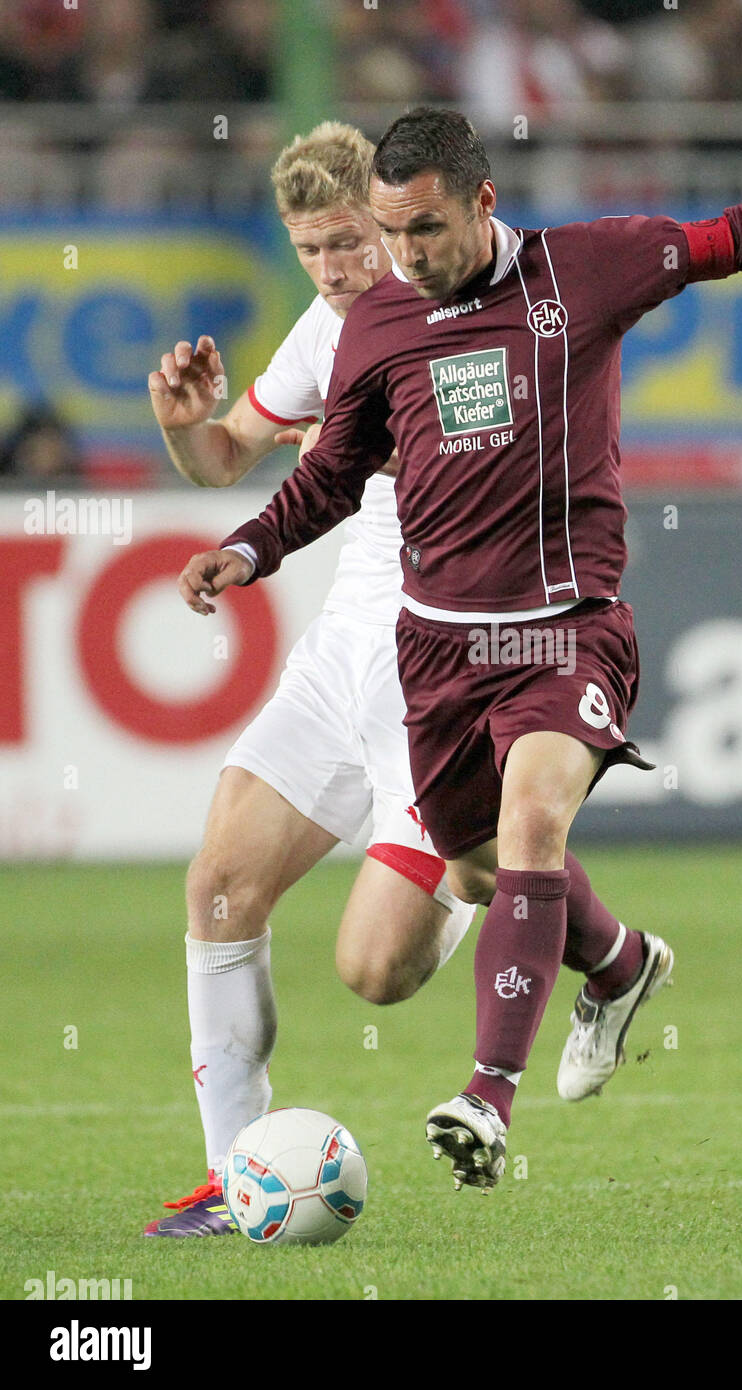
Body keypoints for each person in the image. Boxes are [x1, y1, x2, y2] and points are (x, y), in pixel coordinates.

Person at [180, 107, 742, 1192]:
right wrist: (248, 548)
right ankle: (619, 965)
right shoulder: (381, 321)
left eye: (424, 230)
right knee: (453, 894)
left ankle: (487, 1095)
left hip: (567, 635)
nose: (407, 257)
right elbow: (331, 474)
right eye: (391, 234)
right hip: (435, 652)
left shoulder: (585, 271)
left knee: (532, 824)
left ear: (483, 202)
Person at [142, 122, 476, 1237]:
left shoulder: (459, 317)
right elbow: (229, 451)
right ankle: (238, 1175)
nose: (331, 271)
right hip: (344, 649)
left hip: (439, 660)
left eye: (347, 244)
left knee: (378, 974)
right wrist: (190, 434)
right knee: (218, 887)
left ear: (391, 224)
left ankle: (482, 865)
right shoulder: (321, 328)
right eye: (309, 251)